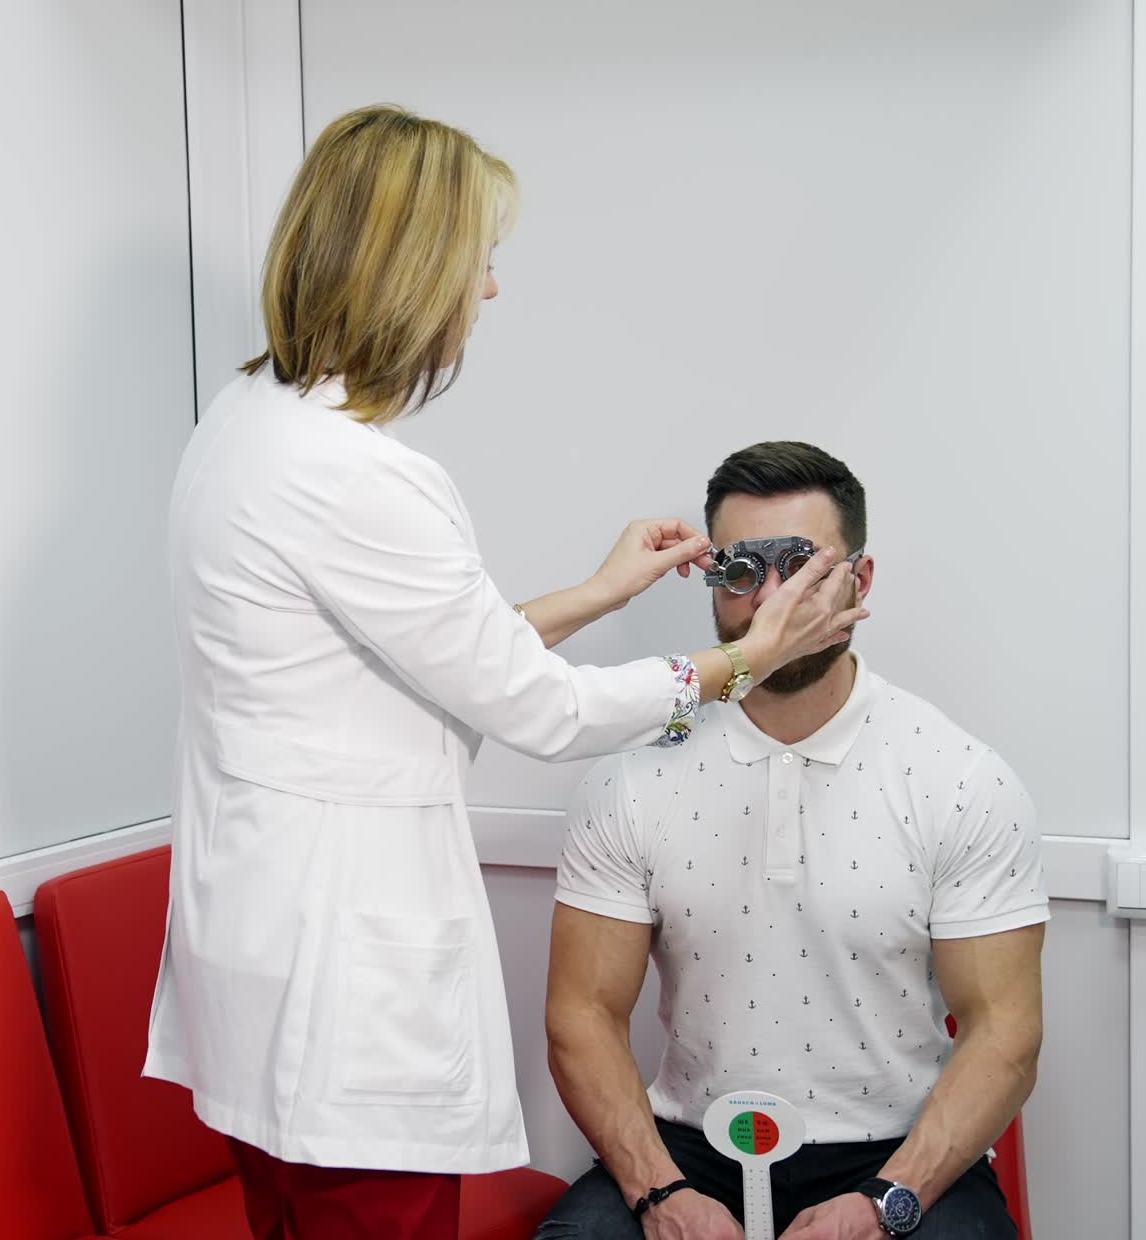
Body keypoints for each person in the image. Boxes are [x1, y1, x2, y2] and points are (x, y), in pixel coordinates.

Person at [141, 107, 867, 1240]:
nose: (486, 290)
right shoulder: (360, 473)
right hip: (340, 990)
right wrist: (744, 657)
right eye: (479, 257)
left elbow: (412, 653)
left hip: (252, 951)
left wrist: (598, 590)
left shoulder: (243, 426)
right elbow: (544, 710)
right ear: (413, 268)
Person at [539, 441, 1047, 1240]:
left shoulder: (959, 778)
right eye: (743, 569)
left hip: (895, 1155)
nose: (771, 599)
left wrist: (889, 1202)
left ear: (861, 580)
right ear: (713, 582)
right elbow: (582, 1013)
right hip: (688, 1153)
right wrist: (659, 1193)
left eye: (804, 567)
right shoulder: (632, 779)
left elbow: (1005, 1034)